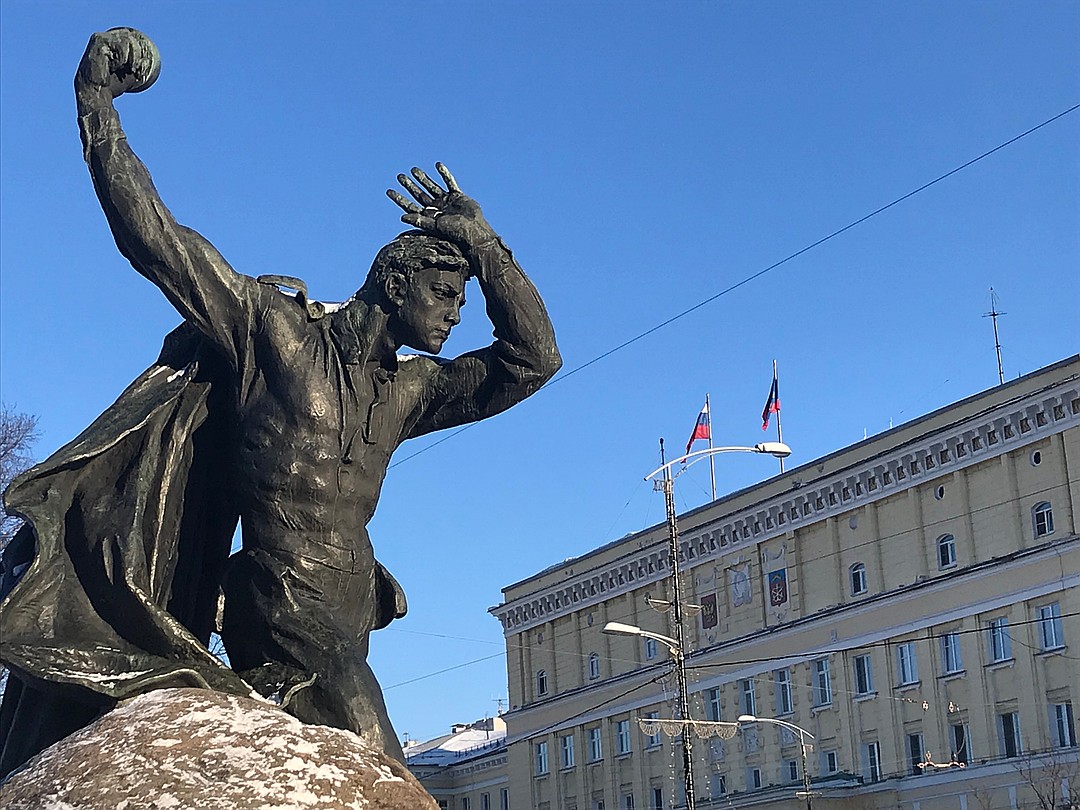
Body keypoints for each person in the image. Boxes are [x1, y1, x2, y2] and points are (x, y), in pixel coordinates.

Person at [0, 27, 560, 774]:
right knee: (387, 773)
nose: (458, 312)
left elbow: (533, 361)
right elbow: (156, 240)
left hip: (348, 619)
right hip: (283, 615)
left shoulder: (413, 388)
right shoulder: (276, 337)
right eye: (446, 292)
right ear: (396, 282)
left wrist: (486, 248)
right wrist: (96, 105)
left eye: (463, 297)